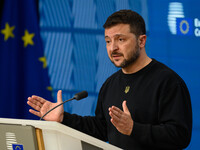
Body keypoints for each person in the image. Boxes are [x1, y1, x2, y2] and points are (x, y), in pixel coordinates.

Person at [27, 10, 192, 150]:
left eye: (121, 39)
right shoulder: (110, 84)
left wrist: (134, 129)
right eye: (108, 41)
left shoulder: (168, 82)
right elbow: (101, 129)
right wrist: (63, 119)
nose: (113, 48)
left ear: (141, 41)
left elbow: (180, 136)